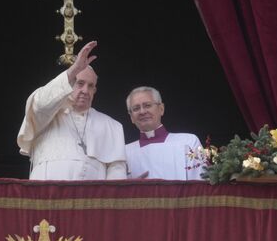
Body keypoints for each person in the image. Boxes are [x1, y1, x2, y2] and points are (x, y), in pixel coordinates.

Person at [17, 41, 127, 180]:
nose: (85, 91)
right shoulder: (47, 114)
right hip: (46, 196)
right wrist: (73, 70)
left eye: (90, 86)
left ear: (95, 90)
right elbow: (40, 105)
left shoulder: (111, 125)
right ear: (69, 83)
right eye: (80, 83)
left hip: (91, 199)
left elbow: (116, 171)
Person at [125, 86, 203, 180]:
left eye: (147, 105)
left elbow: (201, 186)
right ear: (131, 117)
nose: (142, 111)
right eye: (136, 108)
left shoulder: (189, 142)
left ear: (161, 109)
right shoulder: (124, 152)